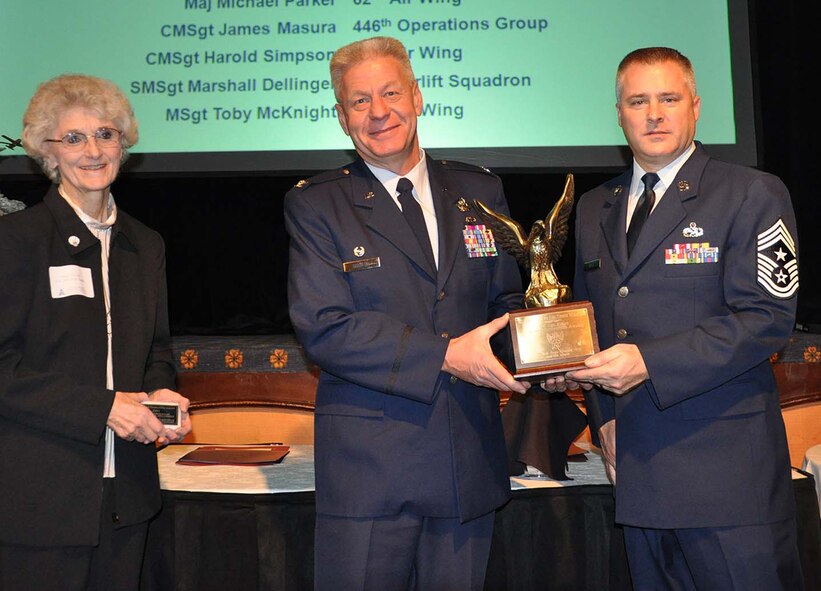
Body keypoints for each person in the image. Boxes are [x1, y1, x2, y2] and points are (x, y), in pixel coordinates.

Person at [545, 47, 804, 589]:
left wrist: (649, 361)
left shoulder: (751, 193)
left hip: (727, 477)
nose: (654, 114)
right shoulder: (594, 207)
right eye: (638, 101)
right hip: (635, 467)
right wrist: (603, 419)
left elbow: (766, 318)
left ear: (696, 107)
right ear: (619, 114)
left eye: (669, 98)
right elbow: (592, 326)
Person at [284, 36, 529, 591]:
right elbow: (325, 326)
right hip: (370, 474)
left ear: (417, 97)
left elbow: (504, 304)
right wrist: (447, 355)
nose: (379, 112)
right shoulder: (317, 204)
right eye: (360, 101)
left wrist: (542, 355)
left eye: (391, 93)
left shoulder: (479, 190)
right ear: (342, 117)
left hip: (467, 461)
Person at [0, 74, 192, 591]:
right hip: (39, 500)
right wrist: (103, 407)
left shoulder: (144, 244)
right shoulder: (15, 241)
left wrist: (161, 393)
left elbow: (157, 350)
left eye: (106, 134)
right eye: (74, 138)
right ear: (48, 150)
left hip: (128, 496)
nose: (93, 151)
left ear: (122, 145)